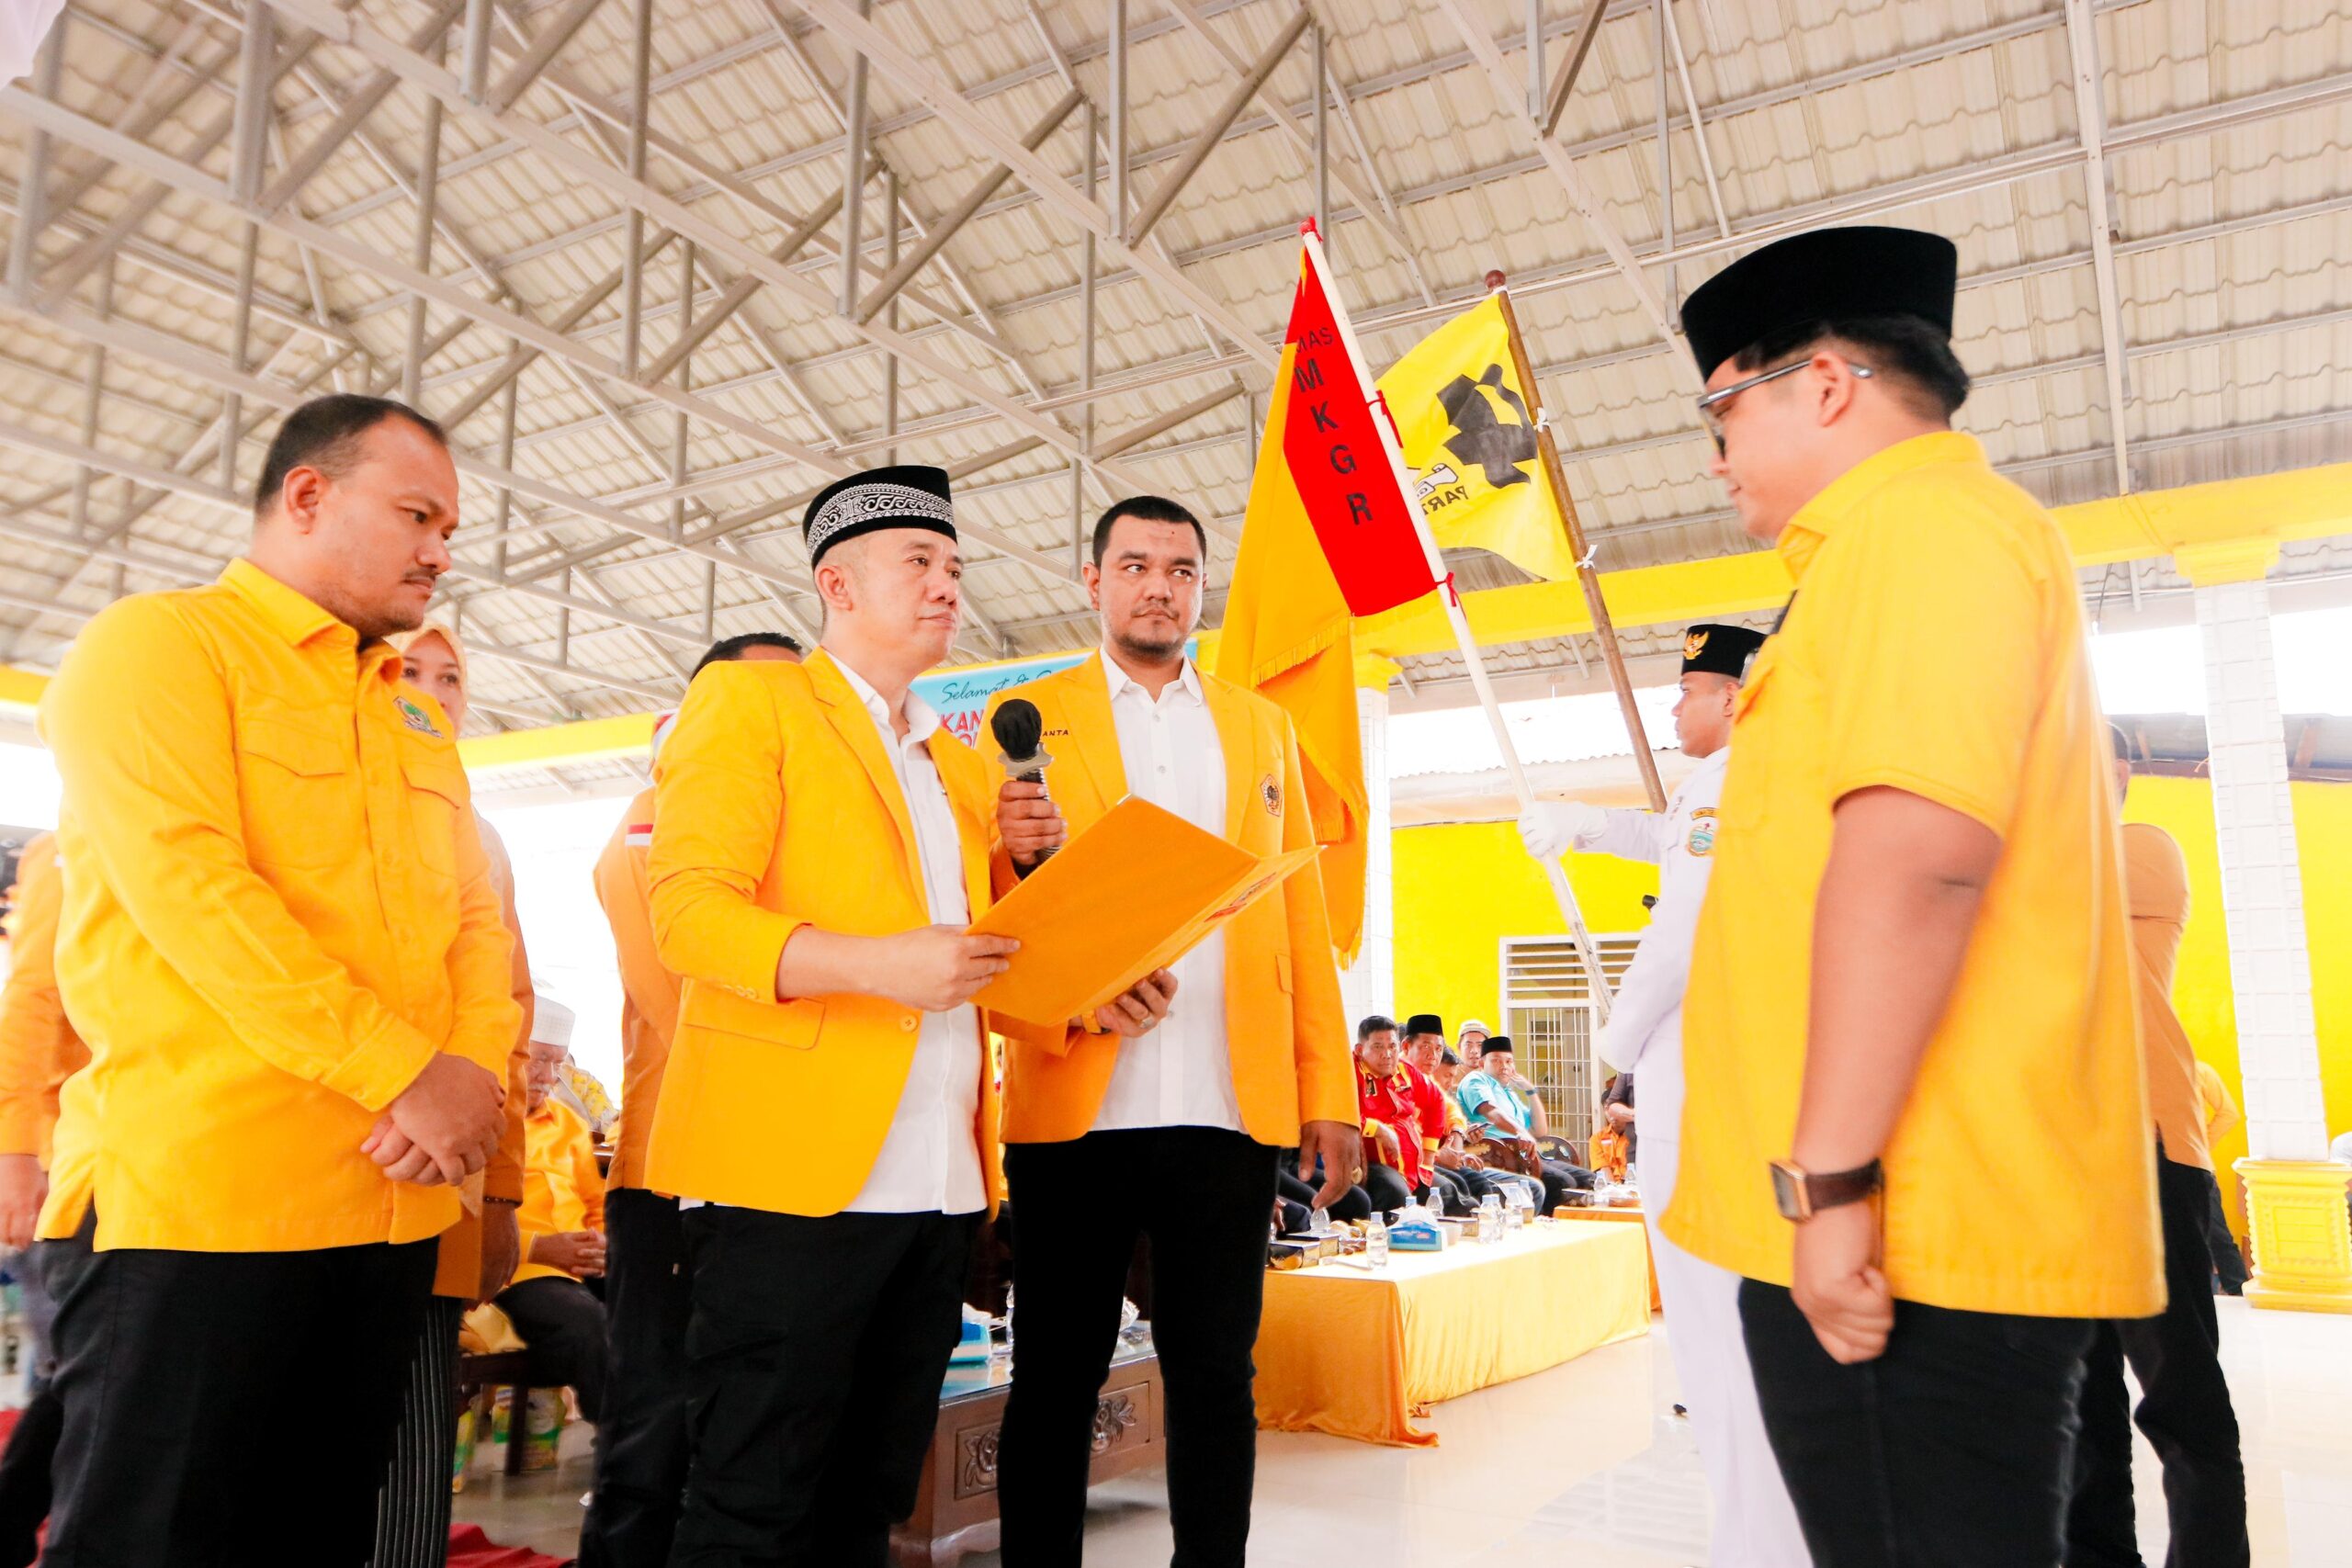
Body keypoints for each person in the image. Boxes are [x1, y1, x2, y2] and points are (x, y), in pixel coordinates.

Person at [1659, 226, 2163, 1567]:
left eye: (1722, 409)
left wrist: (1829, 1185)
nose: (1715, 454)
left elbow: (1916, 859)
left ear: (1824, 383)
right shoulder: (1898, 549)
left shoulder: (1920, 532)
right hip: (1919, 1214)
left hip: (1910, 1227)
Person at [33, 394, 519, 1566]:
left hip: (388, 1209)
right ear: (307, 495)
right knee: (155, 1542)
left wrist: (469, 1075)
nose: (439, 552)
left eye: (449, 530)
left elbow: (473, 923)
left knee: (315, 1538)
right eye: (417, 516)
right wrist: (407, 1073)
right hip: (203, 1209)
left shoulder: (410, 715)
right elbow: (193, 893)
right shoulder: (159, 646)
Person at [646, 467, 1133, 1567]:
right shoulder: (755, 704)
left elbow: (979, 962)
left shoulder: (956, 764)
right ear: (838, 584)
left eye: (954, 566)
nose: (947, 585)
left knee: (867, 1505)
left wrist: (1074, 967)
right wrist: (880, 966)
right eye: (918, 562)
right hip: (785, 1182)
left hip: (937, 1188)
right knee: (751, 1505)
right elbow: (688, 917)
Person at [986, 494, 1354, 1568]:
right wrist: (1015, 859)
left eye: (1181, 570)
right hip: (1074, 1101)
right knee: (1055, 1374)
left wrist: (1328, 1091)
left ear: (1201, 586)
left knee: (1215, 1373)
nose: (1159, 587)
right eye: (1136, 565)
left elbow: (1298, 913)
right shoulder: (1023, 720)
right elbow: (993, 910)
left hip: (1225, 1105)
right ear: (1092, 580)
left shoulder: (1260, 725)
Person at [1517, 620, 1806, 1568]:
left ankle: (1758, 1542)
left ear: (1732, 695)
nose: (1673, 707)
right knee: (1720, 1326)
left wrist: (1615, 1041)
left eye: (1687, 691)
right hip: (1721, 1078)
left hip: (1698, 1079)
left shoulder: (1732, 781)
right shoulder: (1718, 786)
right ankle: (1754, 1531)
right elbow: (1669, 842)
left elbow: (1682, 925)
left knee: (1713, 1323)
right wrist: (1586, 823)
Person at [579, 630, 803, 1568]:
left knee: (748, 1429)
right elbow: (689, 1001)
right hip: (675, 1173)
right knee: (655, 1428)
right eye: (758, 696)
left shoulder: (778, 820)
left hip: (766, 1173)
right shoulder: (660, 819)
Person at [370, 616, 537, 1568]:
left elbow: (504, 1017)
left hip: (439, 1184)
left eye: (451, 677)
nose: (430, 693)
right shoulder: (307, 793)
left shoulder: (483, 838)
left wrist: (502, 1193)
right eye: (409, 671)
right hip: (297, 1184)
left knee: (407, 1471)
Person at [2064, 734, 2249, 1567]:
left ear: (2117, 774)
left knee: (2181, 1399)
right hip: (2057, 1156)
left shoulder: (2142, 849)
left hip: (2148, 1150)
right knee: (2081, 1398)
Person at [0, 830, 84, 1566]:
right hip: (74, 1162)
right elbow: (29, 1001)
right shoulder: (69, 846)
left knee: (69, 1375)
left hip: (107, 1157)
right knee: (80, 1377)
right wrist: (18, 1154)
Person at [494, 1001, 611, 1426]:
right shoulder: (484, 1120)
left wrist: (603, 1246)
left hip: (582, 1266)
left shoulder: (568, 1123)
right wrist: (539, 1249)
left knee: (659, 1307)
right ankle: (621, 1448)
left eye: (557, 1064)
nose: (547, 1076)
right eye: (538, 1060)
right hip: (516, 1271)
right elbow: (464, 1221)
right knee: (589, 1326)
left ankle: (670, 1444)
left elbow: (595, 1204)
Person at [1401, 1015, 1534, 1210]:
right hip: (1411, 1162)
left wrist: (1458, 1147)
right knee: (1463, 1192)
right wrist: (1440, 1155)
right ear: (1406, 1047)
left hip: (1447, 1156)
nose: (1433, 1056)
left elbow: (1453, 1116)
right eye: (1425, 1047)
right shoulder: (1398, 1080)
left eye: (1438, 1048)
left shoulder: (1430, 1085)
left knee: (1502, 1188)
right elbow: (1402, 1135)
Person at [1454, 1036, 1592, 1213]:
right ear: (1482, 1063)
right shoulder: (1476, 1080)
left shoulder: (1509, 1092)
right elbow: (1492, 1112)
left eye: (1508, 1061)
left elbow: (1539, 1130)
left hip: (1525, 1155)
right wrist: (1520, 1132)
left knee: (1587, 1178)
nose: (1504, 1066)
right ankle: (1544, 1223)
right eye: (1496, 1061)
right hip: (1500, 1155)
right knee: (1562, 1182)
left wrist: (1530, 1091)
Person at [1352, 1016, 1453, 1214]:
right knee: (1398, 1196)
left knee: (1447, 1193)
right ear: (1359, 1050)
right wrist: (1378, 1129)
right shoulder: (1350, 1072)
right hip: (1372, 1166)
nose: (1387, 1054)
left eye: (1392, 1046)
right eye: (1378, 1047)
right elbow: (1341, 1115)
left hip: (1414, 1167)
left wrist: (1429, 1154)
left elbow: (1436, 1101)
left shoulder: (1403, 1070)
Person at [2195, 1061, 2250, 1294]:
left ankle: (2236, 1288)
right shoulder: (2198, 1069)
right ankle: (2236, 1288)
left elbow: (2229, 1114)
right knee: (2215, 1233)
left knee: (2215, 1233)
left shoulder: (2198, 1070)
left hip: (2191, 1164)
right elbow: (2229, 1114)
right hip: (2188, 1162)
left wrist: (2201, 1143)